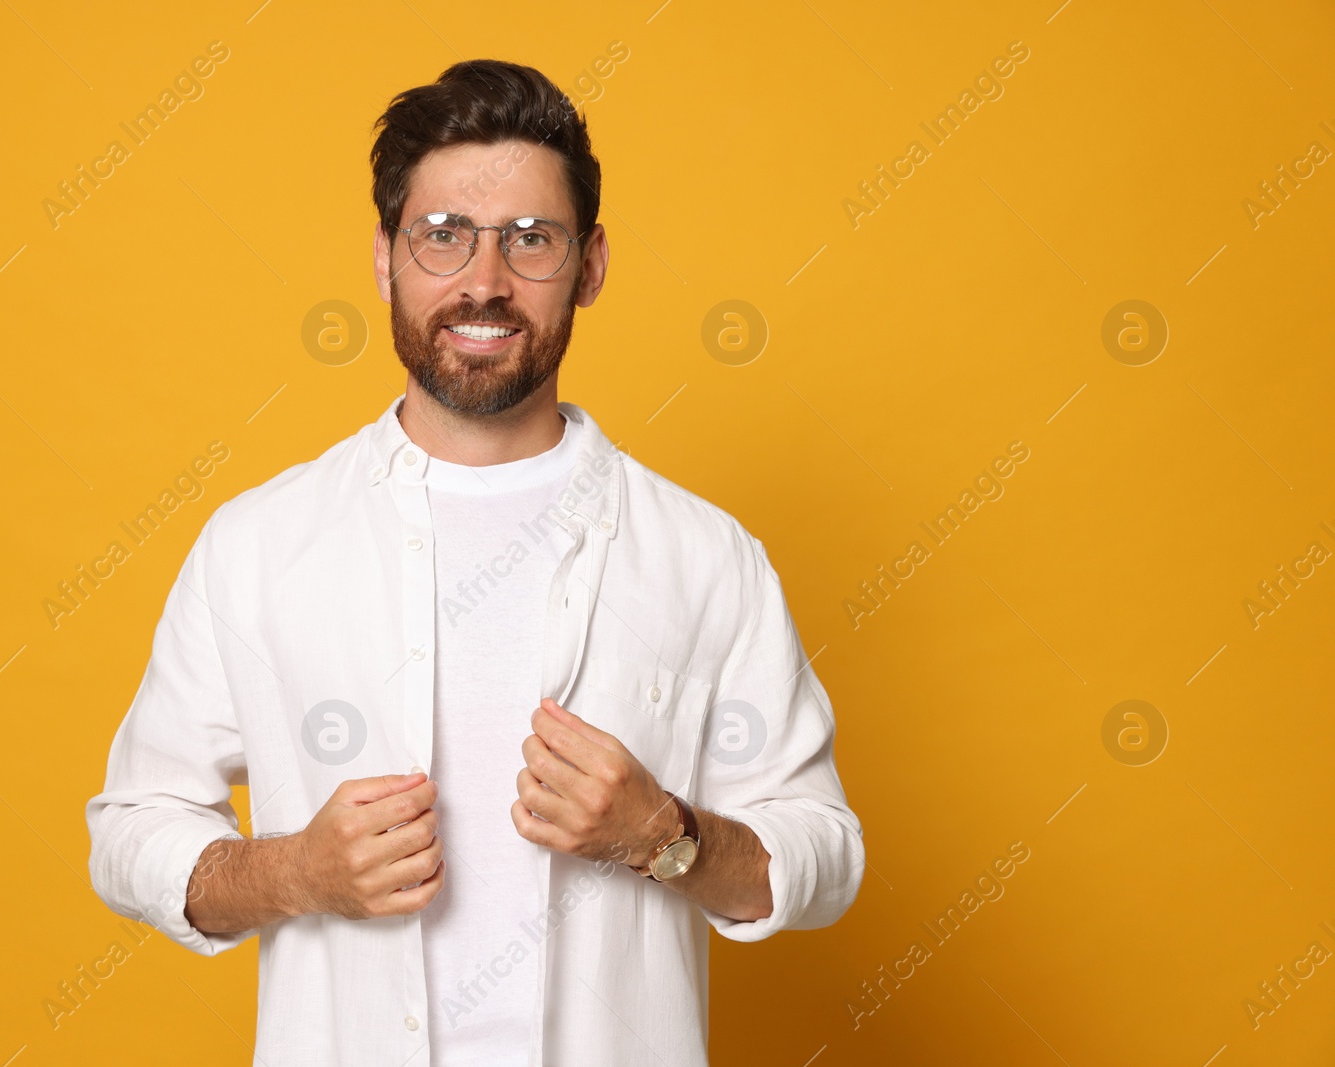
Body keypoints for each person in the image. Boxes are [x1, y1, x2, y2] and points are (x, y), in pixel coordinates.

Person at [85, 57, 864, 1067]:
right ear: (385, 258)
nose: (484, 281)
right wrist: (295, 873)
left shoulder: (705, 557)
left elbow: (824, 855)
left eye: (530, 240)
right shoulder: (260, 544)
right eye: (443, 235)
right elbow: (130, 829)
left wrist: (663, 834)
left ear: (588, 265)